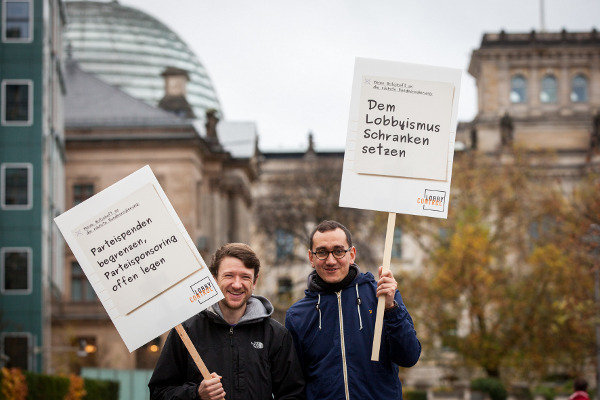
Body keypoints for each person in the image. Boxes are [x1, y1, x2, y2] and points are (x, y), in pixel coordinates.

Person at [149, 243, 305, 400]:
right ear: (214, 278)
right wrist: (196, 393)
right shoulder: (187, 331)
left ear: (255, 281)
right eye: (229, 275)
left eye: (245, 277)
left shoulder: (276, 335)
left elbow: (293, 395)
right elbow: (158, 393)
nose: (237, 285)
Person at [285, 220, 421, 400]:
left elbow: (409, 357)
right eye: (322, 252)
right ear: (312, 258)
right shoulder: (297, 316)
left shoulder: (381, 296)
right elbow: (294, 385)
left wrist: (391, 309)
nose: (331, 260)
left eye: (339, 251)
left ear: (352, 254)